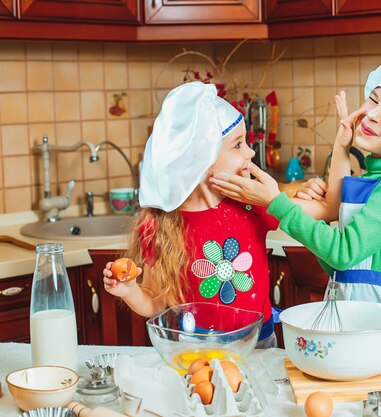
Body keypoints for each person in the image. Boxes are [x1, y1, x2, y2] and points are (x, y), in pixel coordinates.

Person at [210, 39, 381, 349]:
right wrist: (326, 220)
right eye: (373, 100)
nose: (373, 115)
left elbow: (343, 251)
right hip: (358, 322)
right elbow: (339, 266)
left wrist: (277, 203)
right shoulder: (374, 175)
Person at [102, 81, 316, 347]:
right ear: (200, 160)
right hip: (194, 350)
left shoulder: (249, 203)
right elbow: (157, 302)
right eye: (238, 145)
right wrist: (130, 291)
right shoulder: (158, 226)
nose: (250, 152)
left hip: (257, 345)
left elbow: (315, 215)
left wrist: (311, 191)